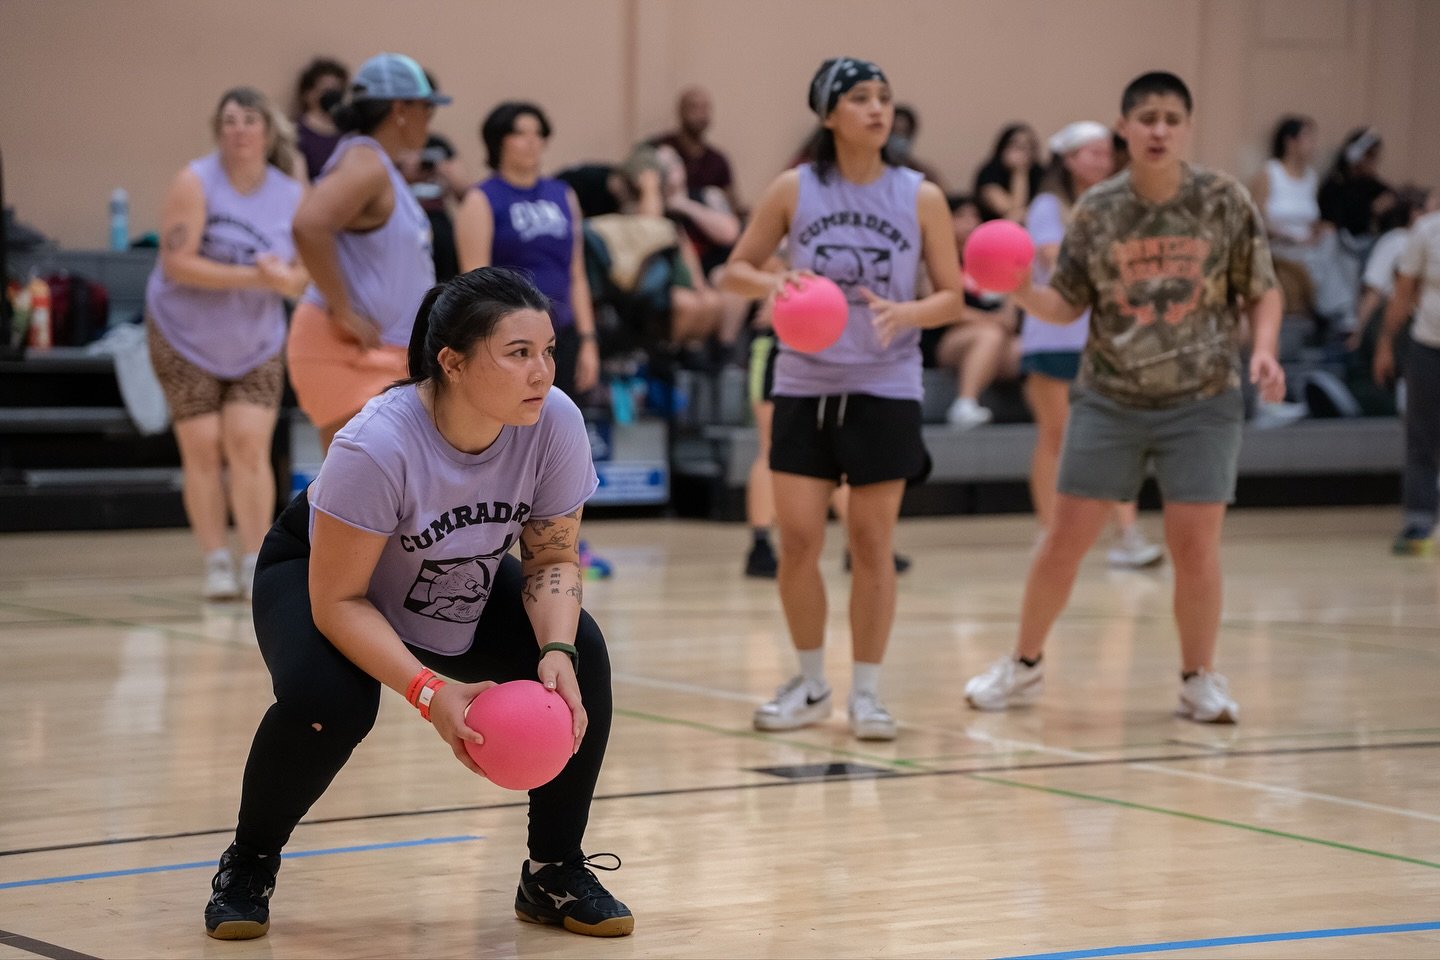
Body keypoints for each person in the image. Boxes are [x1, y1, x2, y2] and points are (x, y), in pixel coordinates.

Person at [202, 267, 633, 942]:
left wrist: (556, 651)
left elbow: (550, 557)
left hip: (453, 575)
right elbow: (340, 600)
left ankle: (553, 870)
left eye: (548, 350)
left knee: (584, 658)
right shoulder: (377, 444)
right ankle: (249, 861)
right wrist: (431, 694)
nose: (542, 371)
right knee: (329, 703)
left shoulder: (554, 424)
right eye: (518, 353)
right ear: (452, 362)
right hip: (328, 578)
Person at [964, 72, 1285, 724]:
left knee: (1196, 548)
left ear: (1186, 125)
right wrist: (1021, 289)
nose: (1159, 129)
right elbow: (1065, 302)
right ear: (1125, 128)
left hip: (1203, 400)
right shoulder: (1099, 210)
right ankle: (1023, 665)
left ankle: (1199, 679)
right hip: (1111, 399)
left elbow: (1263, 287)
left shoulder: (1223, 200)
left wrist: (1265, 347)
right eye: (1147, 118)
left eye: (1171, 117)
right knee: (1063, 542)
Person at [722, 57, 963, 739]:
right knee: (797, 540)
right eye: (861, 98)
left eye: (885, 97)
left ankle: (868, 694)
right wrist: (778, 287)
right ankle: (809, 682)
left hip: (886, 385)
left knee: (871, 540)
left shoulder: (921, 196)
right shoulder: (793, 189)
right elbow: (734, 269)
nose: (878, 109)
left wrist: (910, 313)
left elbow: (953, 295)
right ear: (830, 114)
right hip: (804, 383)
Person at [145, 87, 306, 600]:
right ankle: (215, 559)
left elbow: (303, 276)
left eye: (249, 119)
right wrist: (255, 280)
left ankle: (256, 559)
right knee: (203, 445)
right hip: (183, 333)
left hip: (254, 341)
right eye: (229, 120)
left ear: (267, 131)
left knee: (248, 446)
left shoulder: (290, 192)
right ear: (219, 130)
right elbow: (177, 262)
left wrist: (285, 281)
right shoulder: (195, 181)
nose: (238, 128)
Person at [1020, 121, 1163, 568]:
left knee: (1117, 438)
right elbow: (1053, 258)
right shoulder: (1048, 205)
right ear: (1068, 159)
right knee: (1056, 436)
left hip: (1109, 337)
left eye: (1106, 153)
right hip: (1054, 335)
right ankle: (1048, 532)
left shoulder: (1122, 203)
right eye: (1093, 153)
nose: (1103, 160)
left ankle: (1127, 533)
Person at [288, 52, 447, 452]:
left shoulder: (375, 164)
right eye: (426, 107)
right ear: (400, 109)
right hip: (349, 353)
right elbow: (308, 225)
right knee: (367, 494)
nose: (430, 119)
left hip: (376, 353)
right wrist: (343, 310)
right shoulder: (366, 164)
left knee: (374, 496)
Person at [455, 101, 600, 400]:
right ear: (498, 141)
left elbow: (576, 273)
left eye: (538, 133)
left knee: (562, 423)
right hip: (512, 337)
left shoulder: (563, 194)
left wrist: (588, 339)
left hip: (563, 331)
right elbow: (475, 283)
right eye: (521, 133)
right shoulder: (481, 199)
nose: (533, 141)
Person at [1375, 201, 1440, 556]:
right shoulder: (1426, 231)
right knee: (1421, 437)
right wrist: (1385, 342)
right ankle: (1419, 522)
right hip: (1429, 347)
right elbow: (1403, 293)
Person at [924, 193, 1019, 430]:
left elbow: (1009, 317)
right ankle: (965, 403)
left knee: (1025, 349)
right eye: (961, 216)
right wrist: (990, 320)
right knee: (989, 335)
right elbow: (938, 307)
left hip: (995, 337)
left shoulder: (993, 260)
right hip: (947, 339)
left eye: (974, 215)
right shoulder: (935, 258)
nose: (969, 222)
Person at [972, 123, 1044, 221]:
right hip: (995, 227)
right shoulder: (989, 173)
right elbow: (1013, 212)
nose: (1023, 152)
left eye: (1028, 146)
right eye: (1017, 146)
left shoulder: (1039, 173)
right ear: (1003, 148)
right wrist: (1019, 172)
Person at [293, 58, 349, 182]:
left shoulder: (348, 133)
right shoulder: (296, 134)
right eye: (325, 91)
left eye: (336, 91)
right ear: (308, 94)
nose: (331, 97)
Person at [888, 105, 947, 191]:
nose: (899, 139)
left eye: (904, 133)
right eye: (895, 132)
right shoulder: (874, 175)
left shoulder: (925, 174)